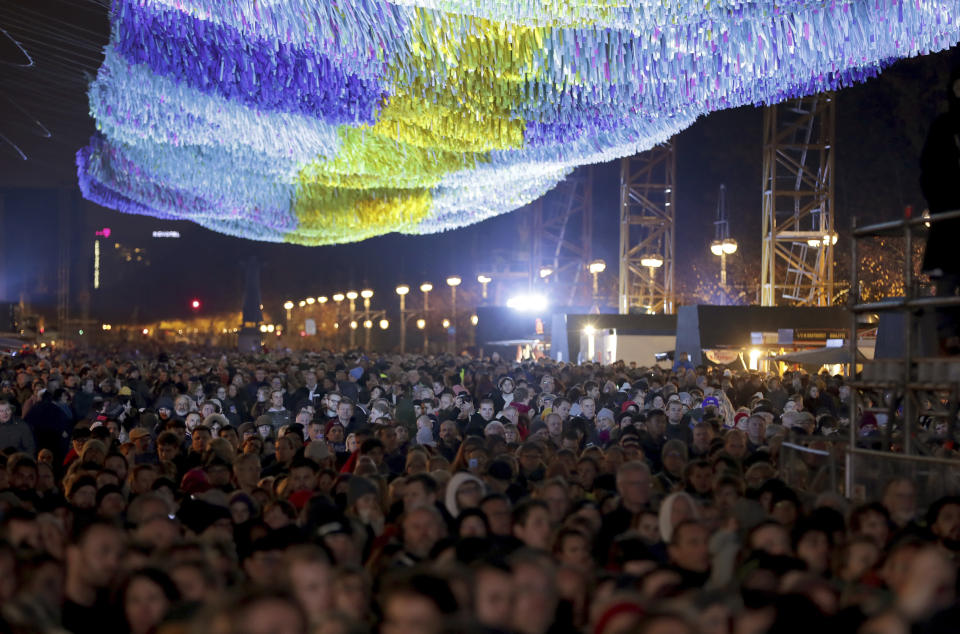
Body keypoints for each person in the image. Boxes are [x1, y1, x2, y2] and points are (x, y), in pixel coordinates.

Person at [920, 64, 960, 354]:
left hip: (947, 221)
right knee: (946, 287)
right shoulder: (943, 127)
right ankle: (948, 338)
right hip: (949, 225)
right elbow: (930, 171)